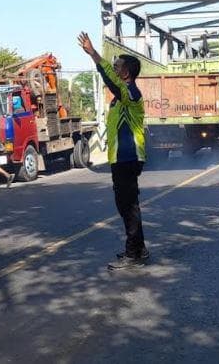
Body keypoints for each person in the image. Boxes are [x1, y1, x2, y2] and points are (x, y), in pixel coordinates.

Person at [78, 32, 148, 270]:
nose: (114, 69)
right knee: (128, 205)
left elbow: (111, 81)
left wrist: (94, 55)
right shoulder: (121, 98)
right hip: (121, 158)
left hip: (129, 158)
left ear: (126, 72)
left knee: (127, 206)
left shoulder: (131, 94)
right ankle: (139, 248)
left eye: (117, 66)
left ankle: (134, 253)